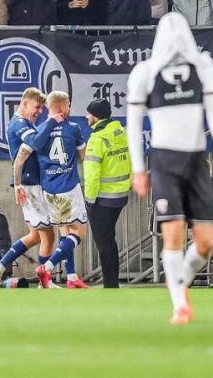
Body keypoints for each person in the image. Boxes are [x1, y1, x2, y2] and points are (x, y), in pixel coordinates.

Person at [126, 12, 213, 324]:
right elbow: (133, 124)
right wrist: (138, 168)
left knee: (207, 241)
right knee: (172, 233)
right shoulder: (145, 72)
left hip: (196, 159)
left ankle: (181, 277)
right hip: (164, 161)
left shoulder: (203, 67)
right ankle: (179, 304)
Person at [0, 87, 59, 288]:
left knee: (36, 235)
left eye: (42, 109)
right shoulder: (19, 124)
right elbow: (31, 145)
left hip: (30, 183)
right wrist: (52, 122)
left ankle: (0, 267)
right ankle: (46, 282)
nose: (39, 112)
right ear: (25, 103)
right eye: (37, 107)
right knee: (48, 234)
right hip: (30, 184)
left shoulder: (25, 123)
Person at [25, 90, 89, 288]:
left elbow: (34, 147)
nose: (69, 109)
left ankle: (71, 277)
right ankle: (49, 265)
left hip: (49, 190)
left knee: (64, 232)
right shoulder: (73, 128)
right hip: (69, 186)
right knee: (79, 233)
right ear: (62, 106)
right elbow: (83, 156)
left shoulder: (40, 129)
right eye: (68, 105)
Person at [83, 98, 132, 288]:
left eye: (89, 113)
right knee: (108, 240)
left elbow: (92, 175)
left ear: (95, 116)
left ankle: (111, 284)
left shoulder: (97, 139)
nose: (87, 116)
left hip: (102, 199)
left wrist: (89, 199)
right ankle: (111, 282)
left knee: (104, 243)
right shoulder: (122, 132)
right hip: (120, 195)